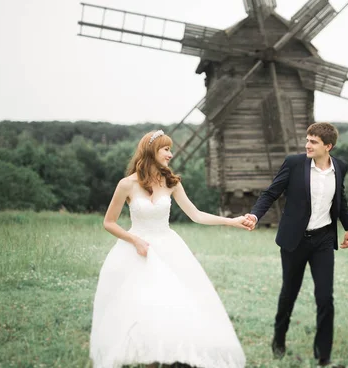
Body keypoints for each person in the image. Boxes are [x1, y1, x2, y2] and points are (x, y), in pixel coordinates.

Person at [90, 130, 247, 368]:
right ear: (151, 151)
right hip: (137, 251)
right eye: (166, 149)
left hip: (169, 249)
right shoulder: (127, 185)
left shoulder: (171, 183)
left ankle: (168, 356)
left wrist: (232, 221)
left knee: (170, 304)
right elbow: (108, 223)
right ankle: (150, 358)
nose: (170, 154)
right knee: (142, 306)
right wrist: (135, 240)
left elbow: (196, 215)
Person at [243, 122, 348, 367]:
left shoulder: (340, 167)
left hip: (324, 239)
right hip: (295, 240)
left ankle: (323, 356)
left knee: (325, 297)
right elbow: (271, 193)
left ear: (328, 146)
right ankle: (279, 339)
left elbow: (340, 198)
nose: (307, 145)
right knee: (289, 294)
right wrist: (255, 215)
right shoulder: (294, 164)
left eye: (313, 141)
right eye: (307, 140)